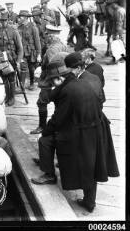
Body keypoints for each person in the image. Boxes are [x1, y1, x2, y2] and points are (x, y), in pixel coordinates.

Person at [31, 54, 119, 213]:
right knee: (93, 167)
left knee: (45, 141)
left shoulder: (69, 90)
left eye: (53, 81)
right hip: (97, 127)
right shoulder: (89, 81)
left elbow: (58, 119)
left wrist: (45, 131)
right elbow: (100, 101)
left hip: (78, 132)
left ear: (60, 79)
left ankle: (50, 174)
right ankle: (89, 202)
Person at [30, 24, 68, 134]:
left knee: (41, 102)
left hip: (50, 80)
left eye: (47, 35)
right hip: (61, 78)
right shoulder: (62, 45)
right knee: (59, 103)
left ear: (51, 36)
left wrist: (53, 81)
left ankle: (42, 126)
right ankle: (59, 125)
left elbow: (53, 66)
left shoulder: (52, 49)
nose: (45, 38)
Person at [0, 12, 25, 106]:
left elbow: (20, 48)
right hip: (0, 60)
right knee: (4, 79)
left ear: (8, 20)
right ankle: (7, 96)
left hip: (11, 59)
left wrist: (18, 61)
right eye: (1, 21)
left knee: (11, 78)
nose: (3, 23)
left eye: (5, 20)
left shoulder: (14, 31)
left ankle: (12, 97)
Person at [17, 10, 42, 90]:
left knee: (31, 68)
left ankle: (32, 83)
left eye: (21, 17)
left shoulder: (33, 27)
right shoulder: (19, 27)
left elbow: (37, 41)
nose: (19, 18)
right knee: (23, 67)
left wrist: (39, 54)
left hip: (31, 51)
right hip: (23, 52)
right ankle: (22, 85)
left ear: (25, 18)